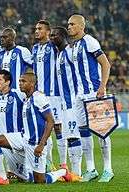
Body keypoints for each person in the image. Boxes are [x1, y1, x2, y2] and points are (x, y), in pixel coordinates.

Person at [68, 14, 113, 182]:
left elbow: (105, 64)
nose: (69, 27)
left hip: (94, 93)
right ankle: (91, 169)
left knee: (102, 131)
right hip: (79, 95)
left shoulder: (90, 41)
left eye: (72, 24)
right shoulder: (73, 46)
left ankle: (108, 169)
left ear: (81, 26)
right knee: (84, 132)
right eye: (68, 24)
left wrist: (102, 87)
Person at [18, 71, 69, 184]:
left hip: (37, 144)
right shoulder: (26, 99)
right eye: (20, 81)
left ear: (32, 84)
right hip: (27, 143)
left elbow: (50, 121)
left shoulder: (39, 98)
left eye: (23, 81)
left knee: (40, 181)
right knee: (28, 178)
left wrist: (41, 144)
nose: (20, 83)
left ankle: (63, 172)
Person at [32, 20, 67, 170]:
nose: (36, 31)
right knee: (43, 128)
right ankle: (49, 162)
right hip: (39, 95)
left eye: (40, 29)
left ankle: (64, 164)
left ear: (48, 32)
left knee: (58, 127)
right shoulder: (34, 48)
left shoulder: (54, 47)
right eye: (35, 29)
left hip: (54, 94)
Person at [50, 26, 83, 180]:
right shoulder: (60, 54)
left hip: (73, 102)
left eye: (55, 35)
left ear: (63, 36)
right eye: (51, 35)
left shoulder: (70, 51)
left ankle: (77, 172)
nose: (51, 38)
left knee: (73, 136)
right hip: (64, 103)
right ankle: (72, 173)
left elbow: (79, 72)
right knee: (68, 136)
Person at [0, 70, 26, 185]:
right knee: (26, 178)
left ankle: (2, 178)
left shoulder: (18, 94)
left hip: (18, 143)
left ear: (7, 82)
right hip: (5, 146)